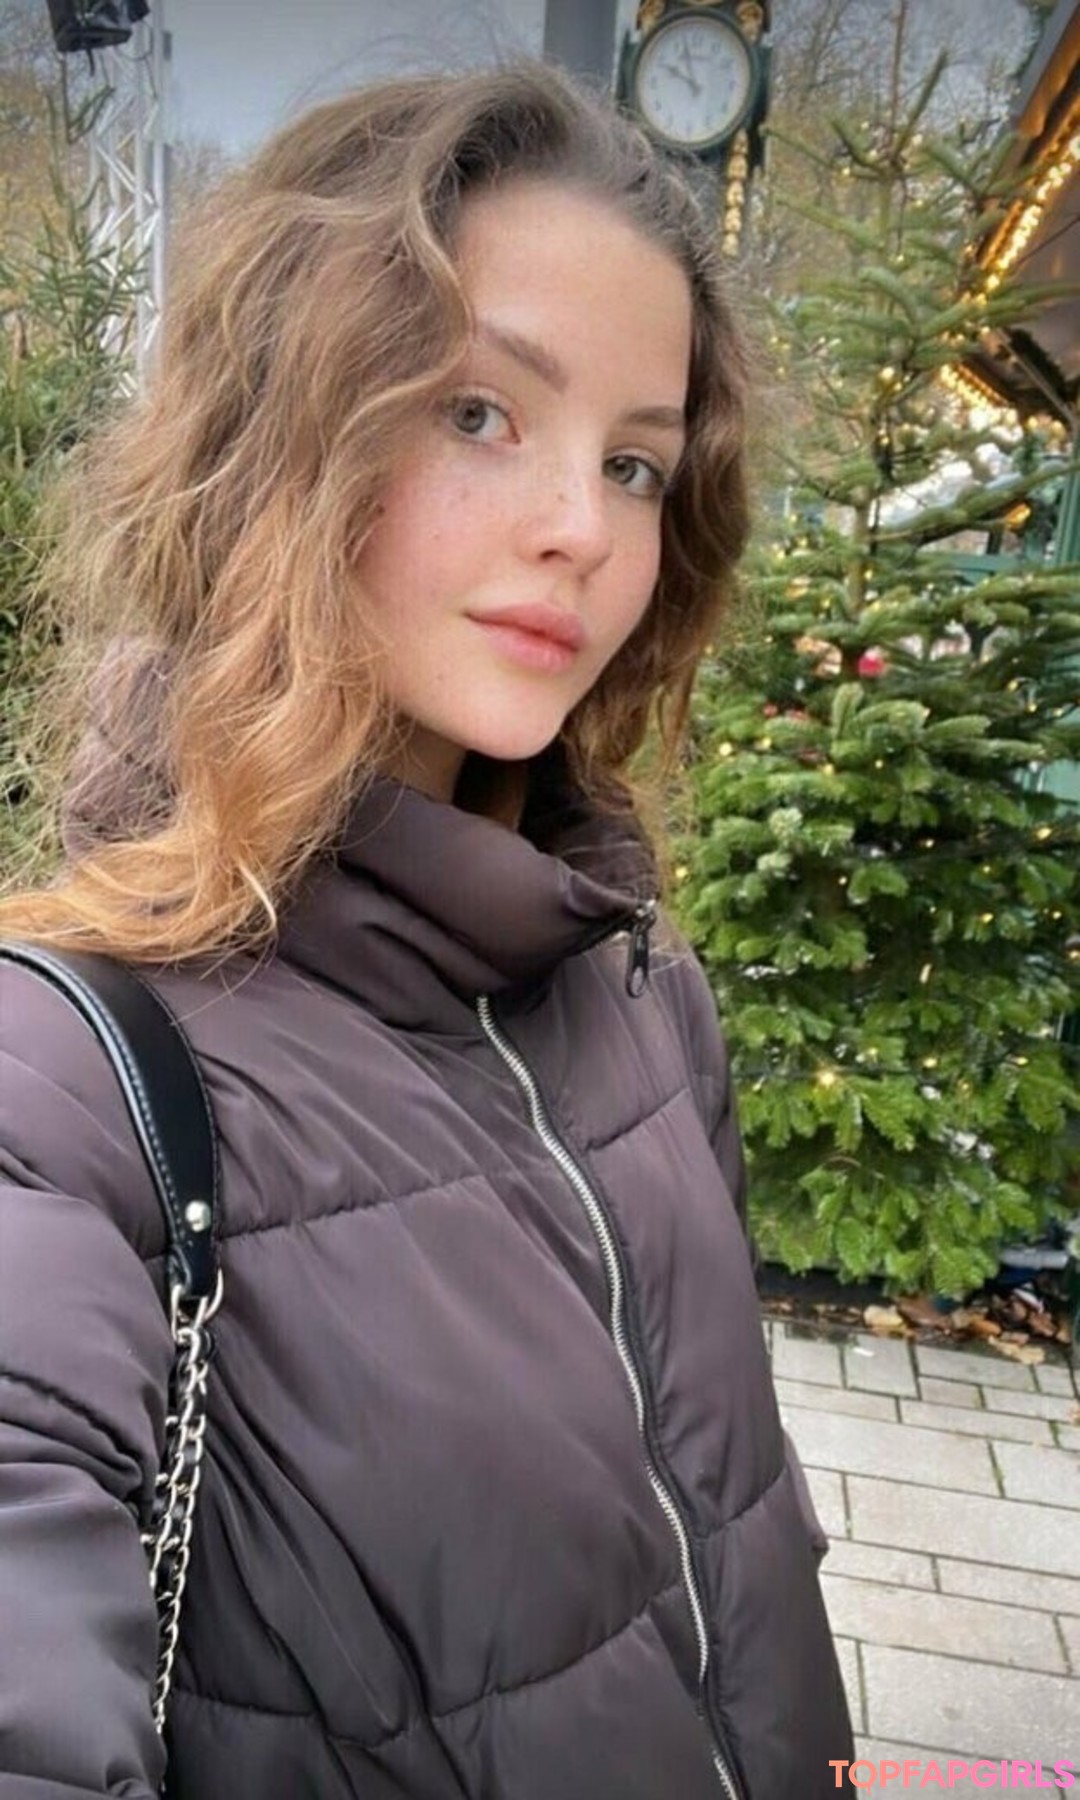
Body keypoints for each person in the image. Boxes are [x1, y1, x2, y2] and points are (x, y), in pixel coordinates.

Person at [0, 60, 852, 1800]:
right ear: (282, 430)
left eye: (636, 463)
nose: (582, 530)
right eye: (479, 412)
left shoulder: (638, 989)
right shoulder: (61, 1097)